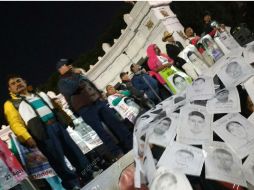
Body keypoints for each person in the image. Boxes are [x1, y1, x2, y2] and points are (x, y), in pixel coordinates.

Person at [4, 74, 97, 190]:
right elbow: (15, 123)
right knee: (58, 160)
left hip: (57, 125)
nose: (17, 84)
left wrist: (66, 119)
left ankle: (88, 173)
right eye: (13, 84)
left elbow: (55, 107)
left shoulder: (39, 94)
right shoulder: (11, 104)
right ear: (10, 89)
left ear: (24, 81)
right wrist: (27, 137)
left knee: (74, 151)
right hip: (43, 133)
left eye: (19, 81)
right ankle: (73, 184)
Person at [57, 58, 133, 160]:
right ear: (60, 69)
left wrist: (99, 94)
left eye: (70, 63)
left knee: (116, 123)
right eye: (67, 64)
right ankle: (117, 153)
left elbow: (90, 85)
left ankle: (131, 143)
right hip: (85, 109)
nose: (70, 65)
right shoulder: (62, 82)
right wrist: (77, 75)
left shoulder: (77, 74)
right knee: (101, 131)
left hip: (97, 101)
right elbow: (73, 88)